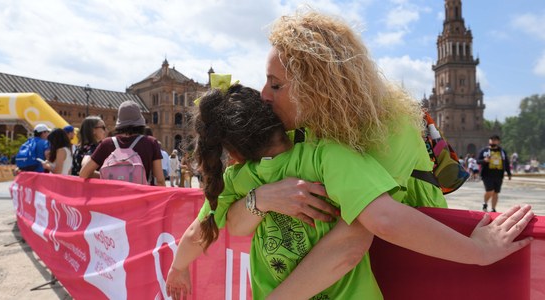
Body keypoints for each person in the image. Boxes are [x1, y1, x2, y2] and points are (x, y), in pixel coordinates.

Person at [217, 11, 531, 299]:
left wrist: (479, 250)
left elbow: (350, 243)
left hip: (406, 271)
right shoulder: (298, 128)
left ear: (316, 87)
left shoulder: (391, 128)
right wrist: (261, 199)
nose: (263, 94)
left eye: (275, 84)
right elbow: (235, 221)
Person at [168, 83, 388, 299]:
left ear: (234, 151)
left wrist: (178, 268)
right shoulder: (321, 156)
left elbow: (195, 233)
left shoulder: (239, 179)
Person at [79, 101, 166, 186]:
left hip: (113, 198)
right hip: (140, 198)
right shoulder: (151, 142)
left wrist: (111, 177)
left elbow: (83, 173)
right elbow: (160, 180)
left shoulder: (107, 143)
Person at [478, 135, 512, 212]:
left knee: (496, 192)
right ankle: (485, 203)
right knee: (490, 190)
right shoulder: (484, 151)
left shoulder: (502, 152)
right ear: (489, 141)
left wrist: (509, 173)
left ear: (498, 141)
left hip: (499, 174)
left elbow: (506, 163)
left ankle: (493, 208)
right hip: (487, 174)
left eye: (495, 140)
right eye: (492, 139)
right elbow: (478, 161)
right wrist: (484, 160)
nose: (493, 141)